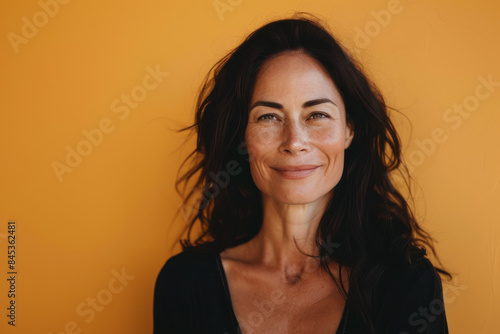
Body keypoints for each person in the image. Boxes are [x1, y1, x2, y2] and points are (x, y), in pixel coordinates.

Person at [153, 14, 451, 334]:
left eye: (317, 115)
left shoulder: (406, 283)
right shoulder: (185, 284)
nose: (294, 142)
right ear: (242, 136)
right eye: (268, 117)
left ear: (349, 129)